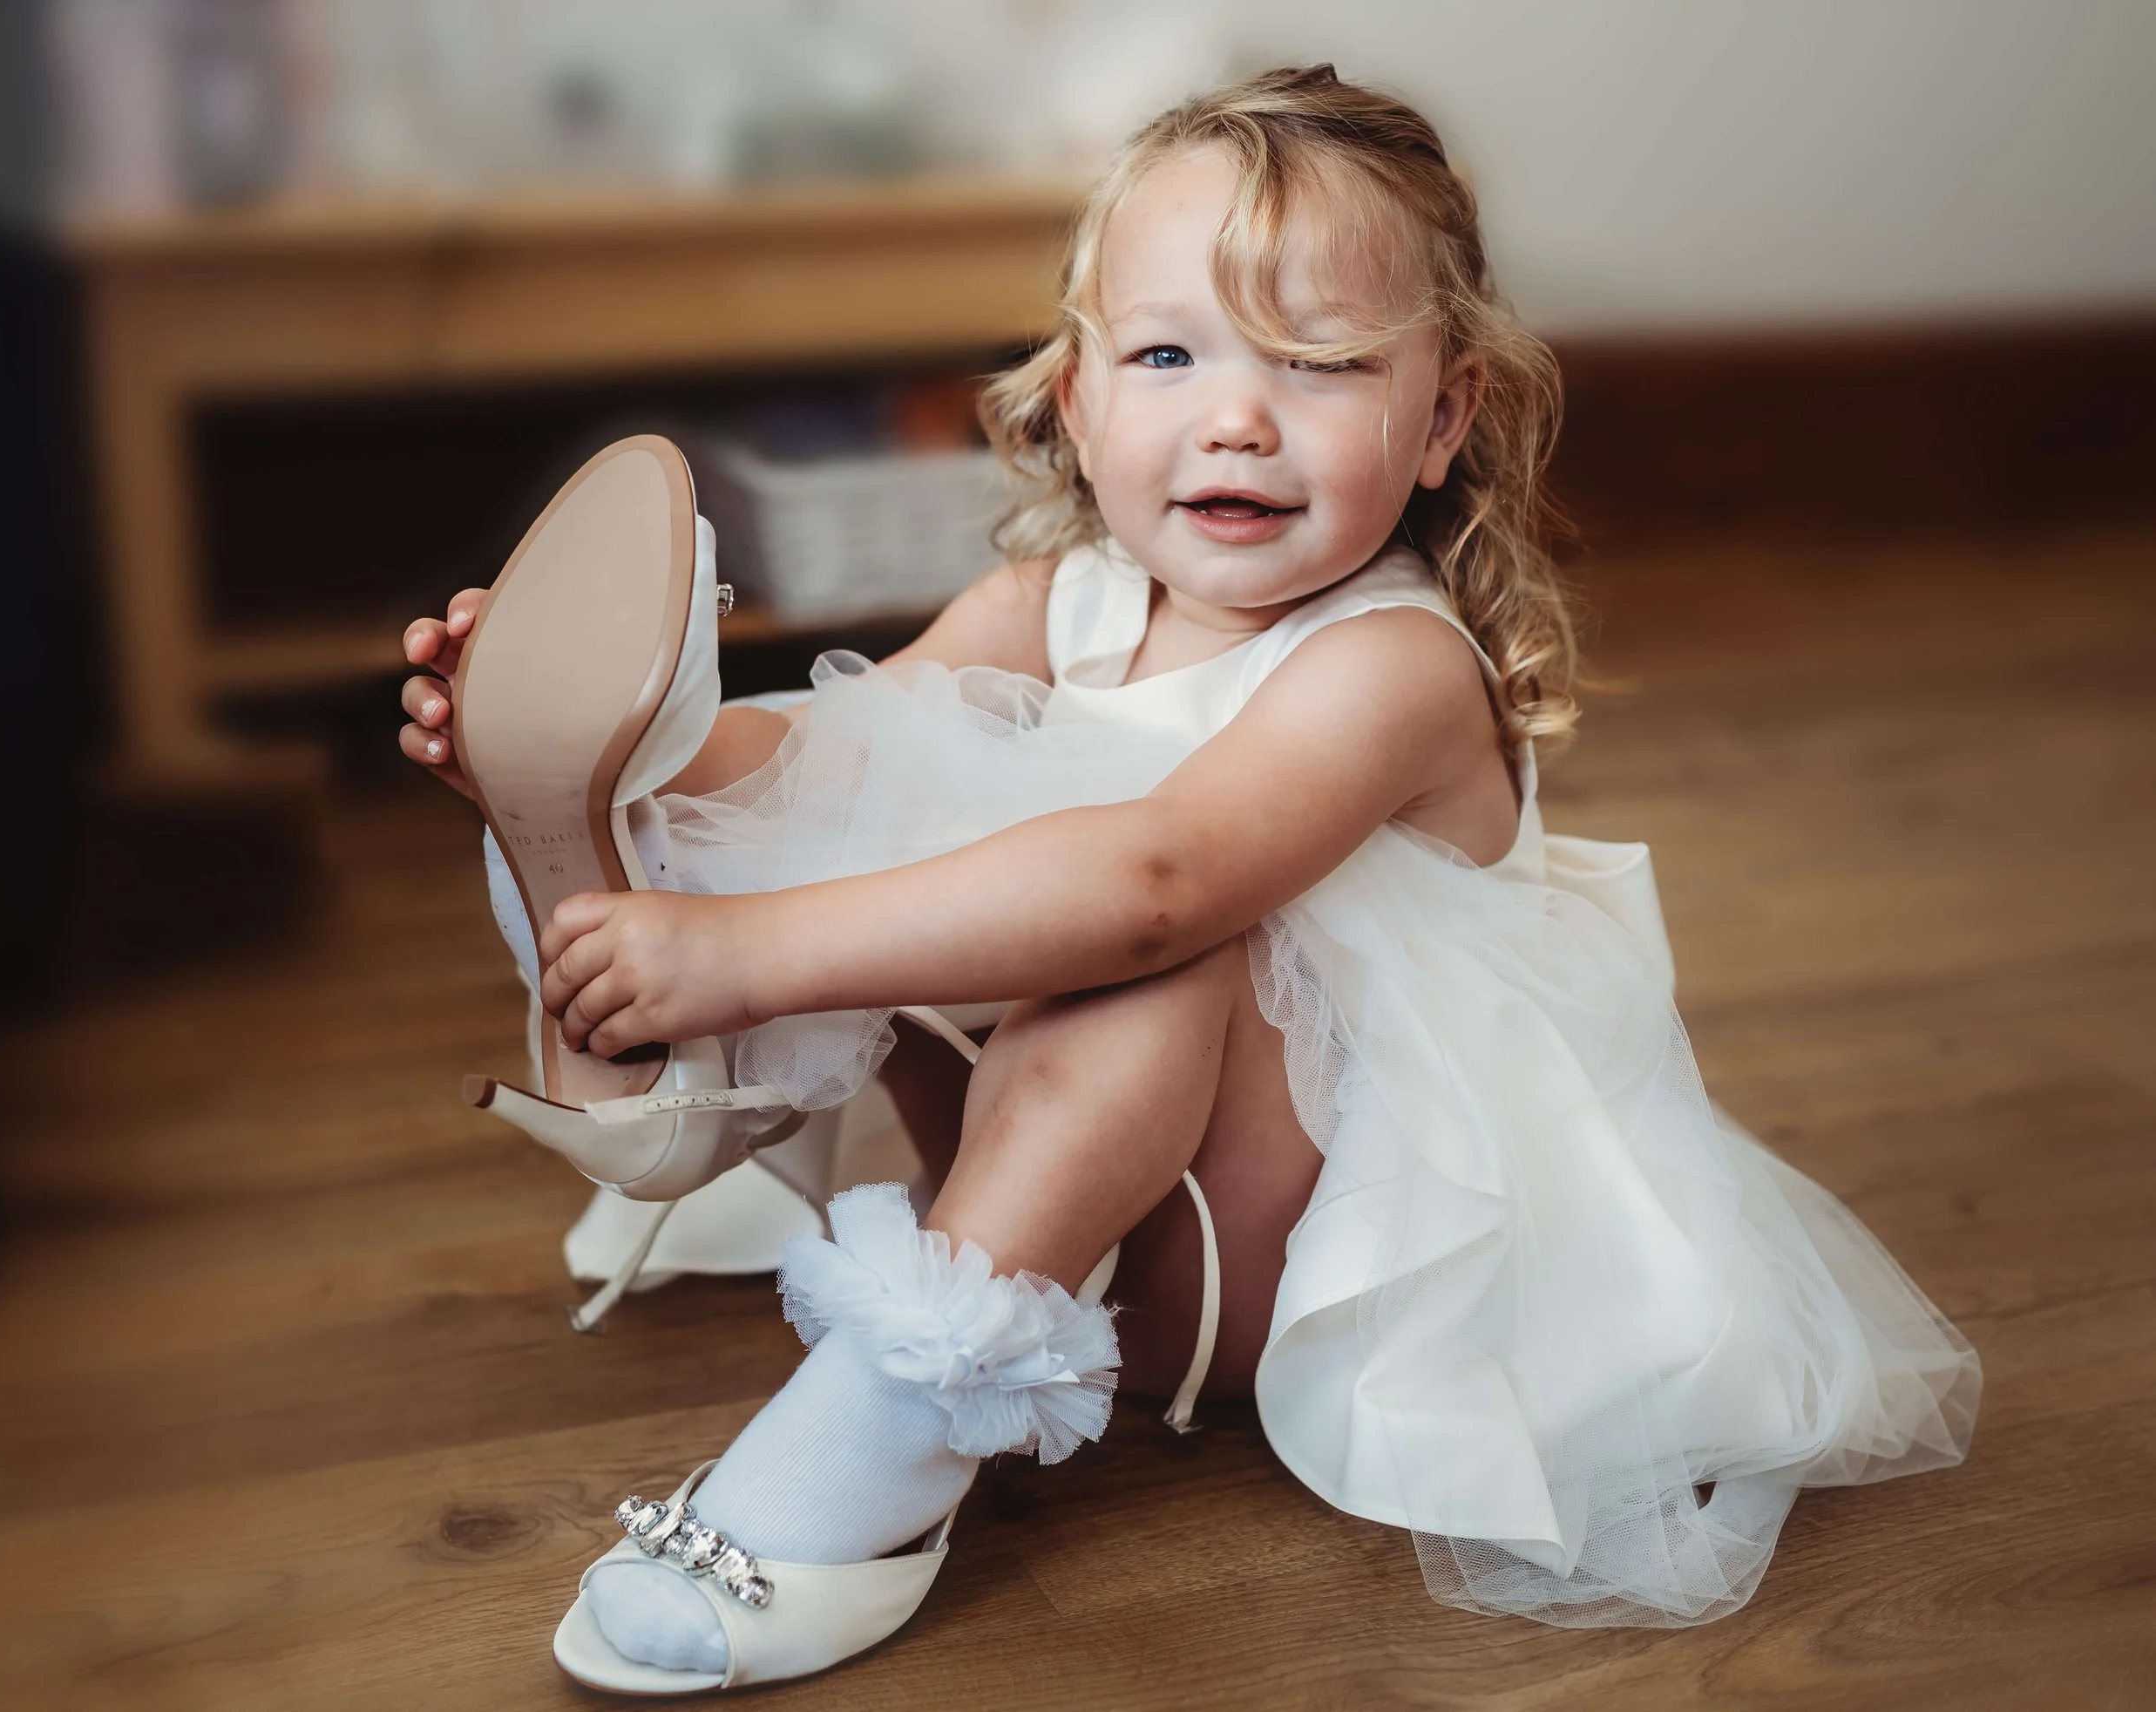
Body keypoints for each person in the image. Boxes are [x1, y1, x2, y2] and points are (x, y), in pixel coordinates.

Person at [399, 65, 1978, 1689]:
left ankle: (886, 1426)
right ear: (1079, 404)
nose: (1236, 416)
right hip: (1073, 1218)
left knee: (1150, 943)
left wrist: (739, 957)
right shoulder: (1052, 605)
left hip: (1278, 1285)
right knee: (868, 794)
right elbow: (825, 772)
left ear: (1444, 419)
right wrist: (608, 762)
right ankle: (669, 986)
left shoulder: (1394, 669)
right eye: (1168, 354)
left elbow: (1158, 876)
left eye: (1321, 364)